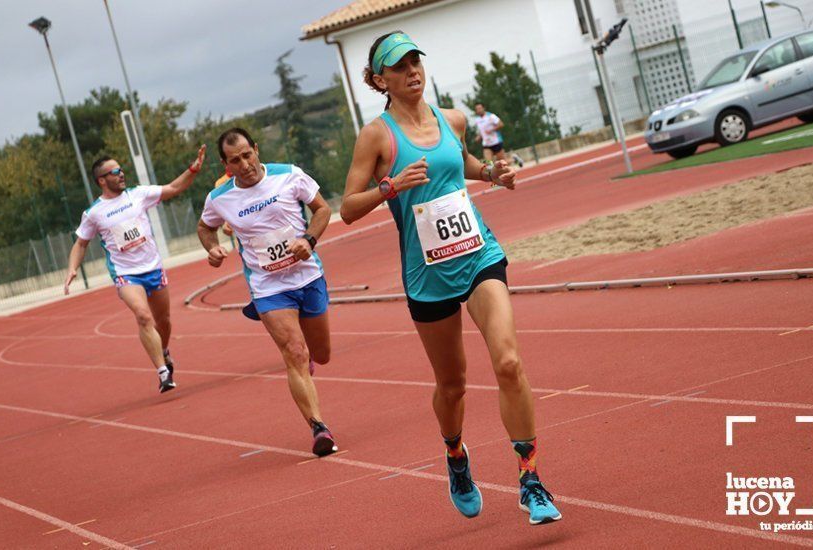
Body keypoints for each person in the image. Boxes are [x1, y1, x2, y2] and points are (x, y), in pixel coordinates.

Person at [340, 32, 561, 525]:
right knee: (453, 385)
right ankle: (456, 454)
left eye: (416, 61)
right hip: (427, 275)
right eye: (399, 67)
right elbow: (347, 208)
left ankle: (531, 479)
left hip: (478, 253)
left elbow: (460, 164)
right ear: (381, 80)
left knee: (507, 362)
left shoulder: (451, 118)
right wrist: (390, 186)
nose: (413, 71)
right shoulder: (376, 136)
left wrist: (492, 174)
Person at [196, 127, 338, 457]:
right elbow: (205, 227)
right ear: (225, 164)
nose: (244, 164)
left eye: (247, 155)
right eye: (235, 160)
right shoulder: (220, 198)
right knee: (295, 353)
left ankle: (307, 364)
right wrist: (213, 249)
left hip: (307, 275)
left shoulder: (289, 175)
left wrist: (309, 240)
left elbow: (322, 210)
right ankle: (319, 427)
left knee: (321, 353)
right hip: (268, 287)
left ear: (256, 149)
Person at [64, 145, 206, 393]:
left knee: (164, 321)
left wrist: (193, 169)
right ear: (102, 180)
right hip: (126, 274)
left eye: (121, 169)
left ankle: (163, 350)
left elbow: (173, 188)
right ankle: (163, 372)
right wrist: (72, 269)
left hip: (153, 267)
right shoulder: (94, 213)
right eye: (115, 171)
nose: (121, 174)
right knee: (143, 315)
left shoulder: (139, 194)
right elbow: (80, 243)